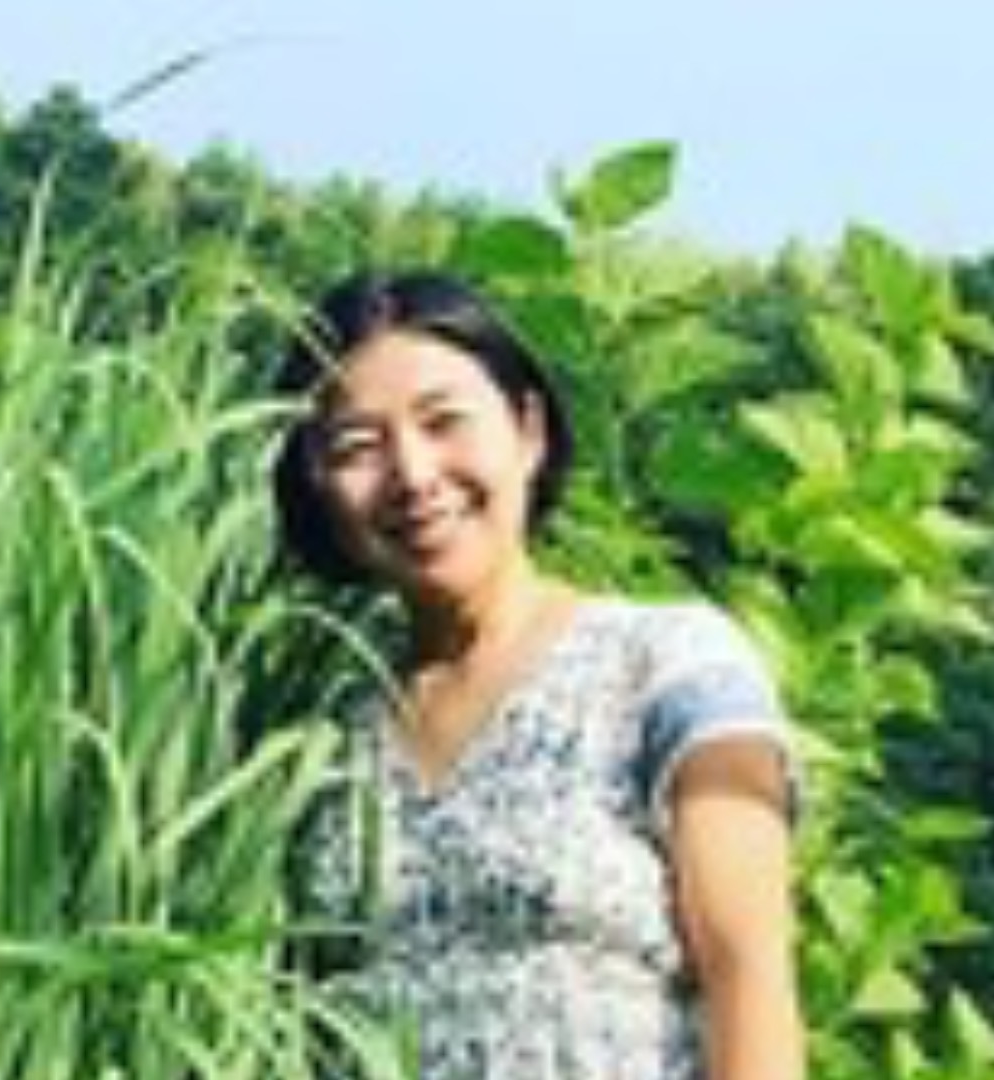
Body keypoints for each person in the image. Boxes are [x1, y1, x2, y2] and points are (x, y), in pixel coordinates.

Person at [272, 267, 805, 1080]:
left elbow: (750, 981)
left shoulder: (670, 664)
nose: (413, 474)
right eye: (357, 447)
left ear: (528, 431)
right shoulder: (319, 737)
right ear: (317, 489)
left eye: (444, 422)